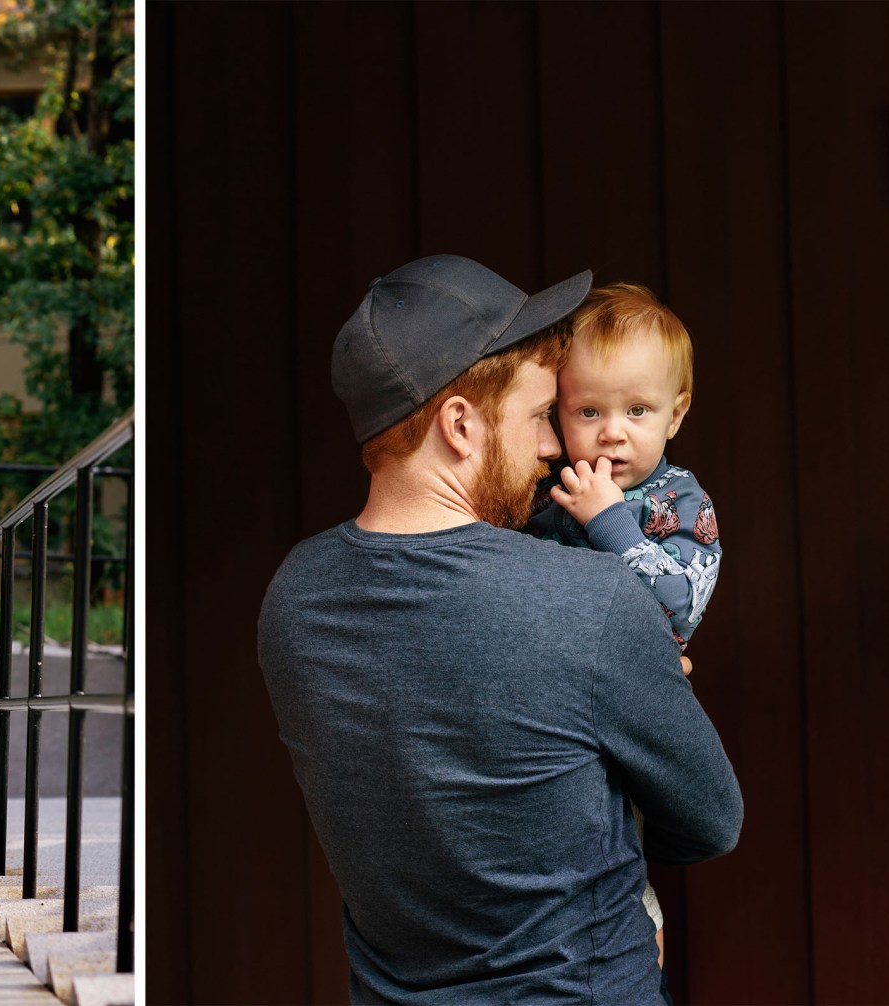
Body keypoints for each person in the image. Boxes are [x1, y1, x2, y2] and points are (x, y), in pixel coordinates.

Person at [257, 254, 742, 1004]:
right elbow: (712, 820)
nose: (556, 449)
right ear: (460, 424)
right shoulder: (592, 599)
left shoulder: (295, 599)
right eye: (541, 417)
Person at [529, 282, 722, 649]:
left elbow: (682, 609)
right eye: (589, 411)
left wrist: (609, 522)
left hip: (624, 672)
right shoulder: (546, 487)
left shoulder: (682, 501)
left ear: (675, 415)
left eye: (637, 411)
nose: (613, 432)